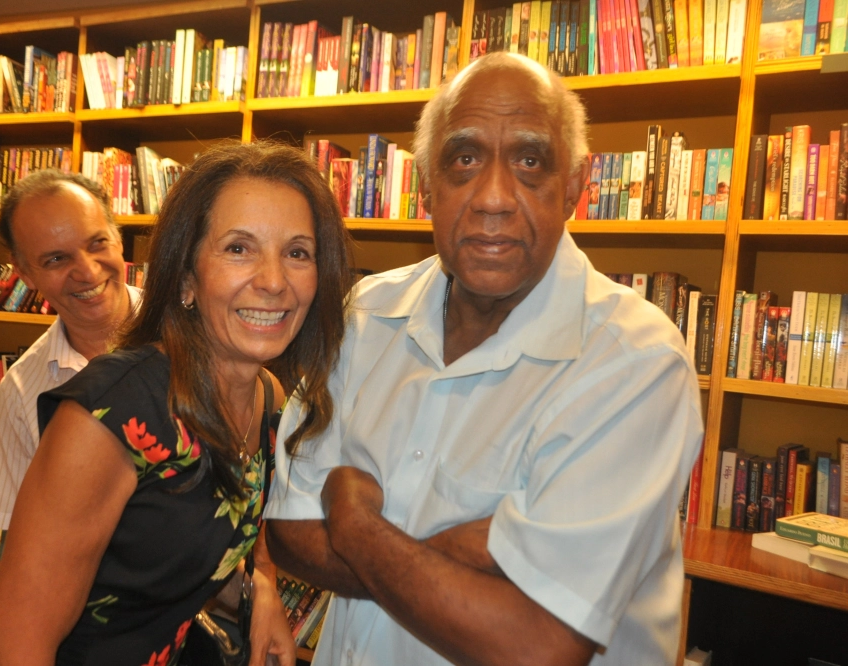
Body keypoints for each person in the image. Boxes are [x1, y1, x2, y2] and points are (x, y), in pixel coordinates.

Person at [265, 52, 704, 665]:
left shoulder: (633, 361)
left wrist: (357, 523)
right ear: (426, 186)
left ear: (575, 184)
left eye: (529, 161)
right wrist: (472, 556)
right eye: (465, 160)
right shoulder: (366, 313)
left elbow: (536, 646)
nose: (493, 197)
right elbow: (287, 529)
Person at [0, 141, 354, 666]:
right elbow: (9, 653)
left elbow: (184, 546)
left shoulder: (267, 400)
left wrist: (261, 588)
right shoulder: (109, 416)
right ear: (185, 277)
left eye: (297, 252)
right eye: (238, 248)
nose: (274, 281)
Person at [0, 169, 141, 532]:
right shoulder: (21, 391)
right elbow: (17, 537)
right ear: (25, 275)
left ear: (119, 238)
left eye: (97, 243)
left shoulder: (196, 336)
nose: (87, 271)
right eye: (56, 259)